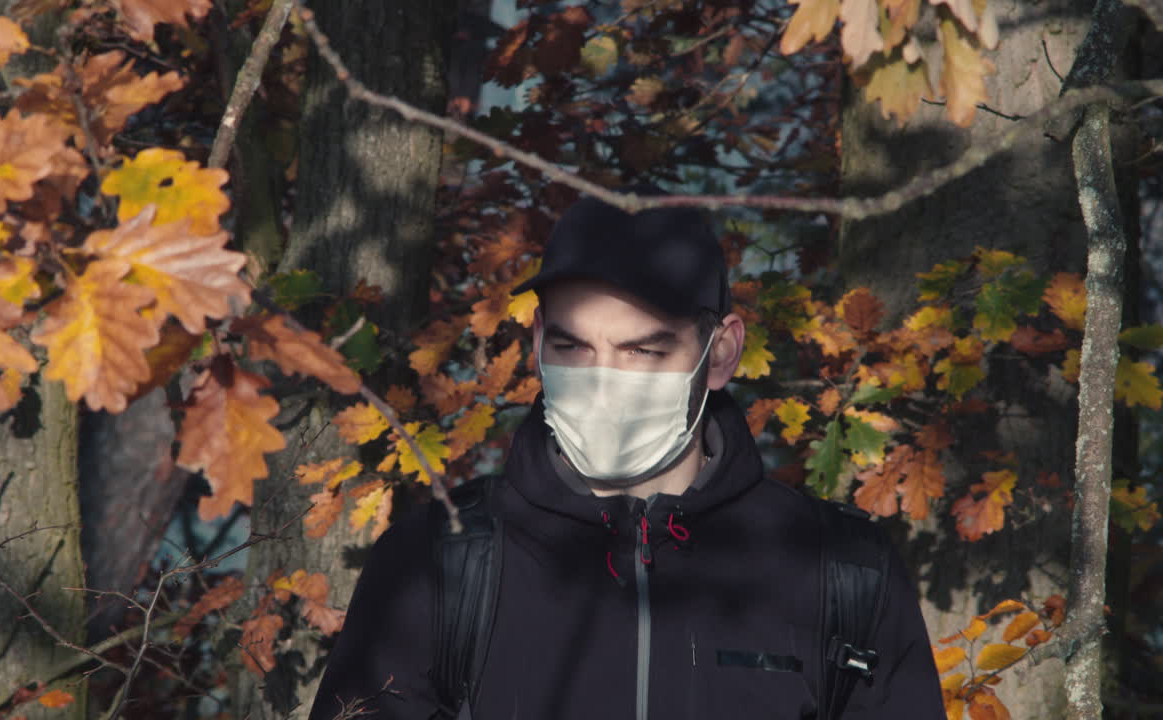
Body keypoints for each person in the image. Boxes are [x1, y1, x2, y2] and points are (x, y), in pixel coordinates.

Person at [308, 193, 945, 720]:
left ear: (719, 354)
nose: (603, 379)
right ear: (536, 344)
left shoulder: (842, 569)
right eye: (573, 347)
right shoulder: (436, 562)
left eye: (643, 351)